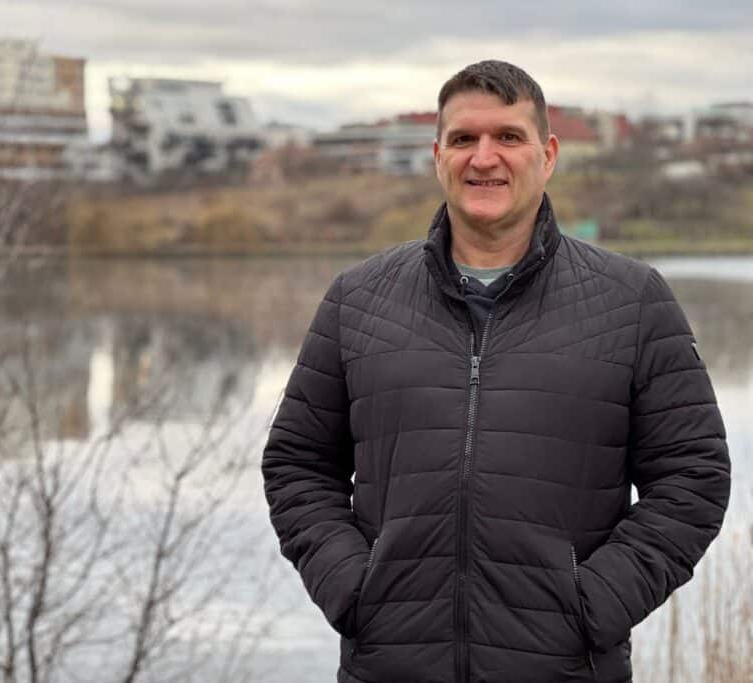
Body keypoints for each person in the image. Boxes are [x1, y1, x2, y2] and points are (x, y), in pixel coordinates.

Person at [261, 60, 730, 683]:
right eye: (464, 139)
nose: (485, 158)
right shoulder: (358, 299)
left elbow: (693, 479)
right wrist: (353, 588)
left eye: (508, 137)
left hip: (564, 669)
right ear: (438, 157)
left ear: (549, 153)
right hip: (391, 667)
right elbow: (296, 463)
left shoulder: (633, 301)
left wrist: (592, 605)